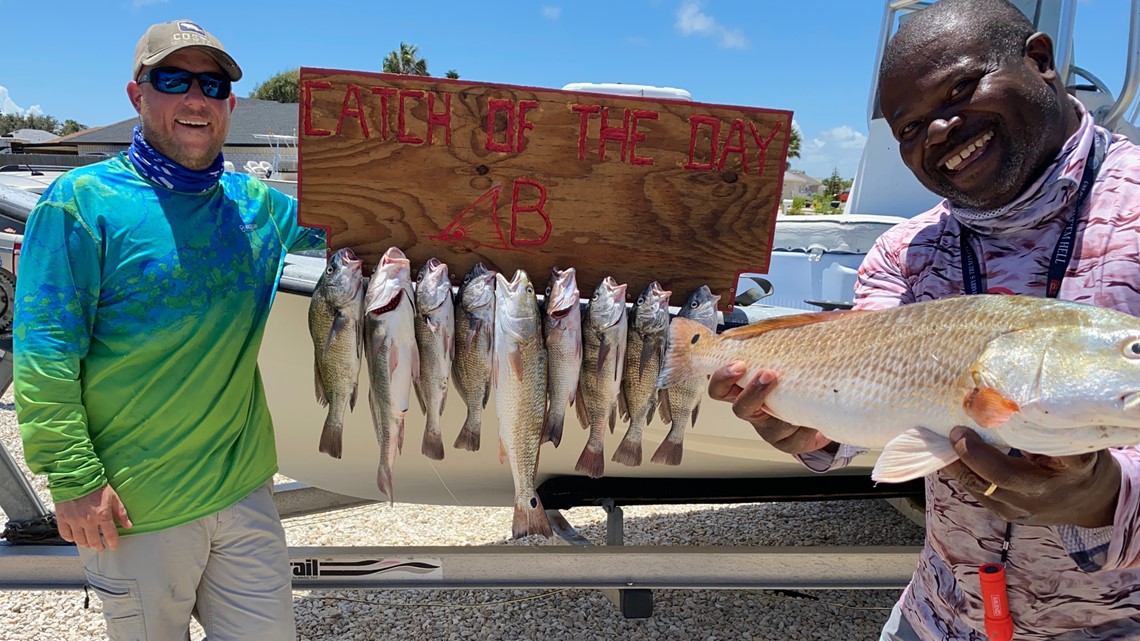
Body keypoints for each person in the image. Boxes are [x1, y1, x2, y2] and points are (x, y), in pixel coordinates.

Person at [709, 1, 1140, 639]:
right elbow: (864, 404)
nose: (936, 132)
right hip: (938, 616)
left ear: (1042, 63)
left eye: (962, 89)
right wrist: (812, 435)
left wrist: (1114, 497)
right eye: (908, 129)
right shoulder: (903, 252)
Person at [14, 19, 323, 640]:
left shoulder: (259, 207)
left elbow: (370, 231)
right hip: (133, 510)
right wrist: (74, 481)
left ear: (230, 104)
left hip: (244, 491)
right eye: (173, 79)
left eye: (211, 85)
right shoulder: (80, 202)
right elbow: (44, 356)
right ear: (138, 94)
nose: (195, 99)